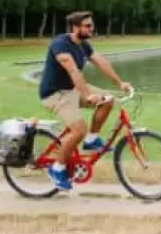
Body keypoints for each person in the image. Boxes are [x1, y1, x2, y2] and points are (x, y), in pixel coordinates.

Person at [37, 10, 131, 190]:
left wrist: (120, 83)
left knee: (107, 100)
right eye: (87, 26)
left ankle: (92, 139)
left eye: (92, 25)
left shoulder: (84, 45)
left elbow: (101, 62)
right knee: (78, 130)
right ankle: (57, 168)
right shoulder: (60, 45)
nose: (92, 28)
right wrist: (87, 95)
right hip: (55, 94)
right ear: (75, 27)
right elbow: (74, 72)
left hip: (72, 90)